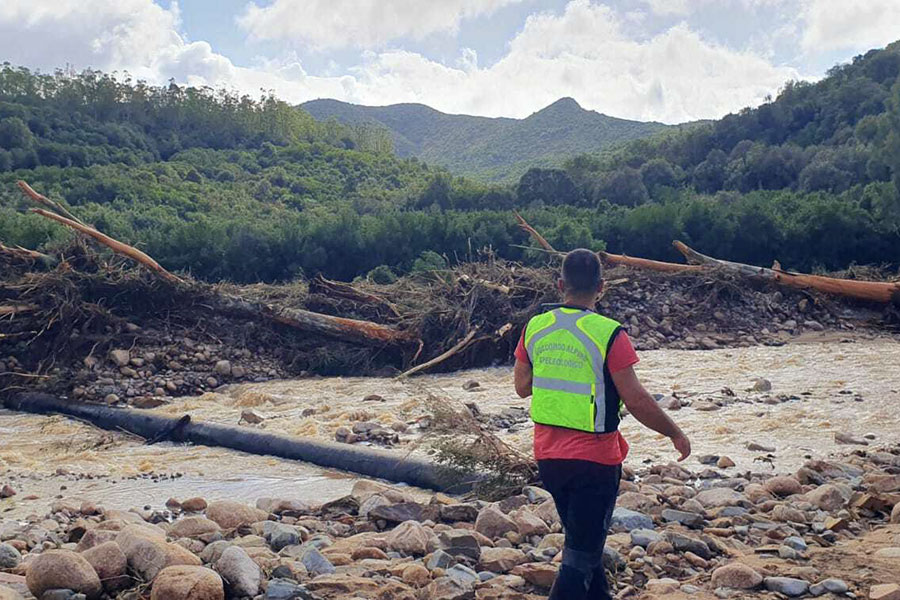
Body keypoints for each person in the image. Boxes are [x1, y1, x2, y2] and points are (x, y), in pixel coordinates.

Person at [514, 248, 691, 600]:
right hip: (594, 462)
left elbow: (522, 387)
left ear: (560, 284)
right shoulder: (609, 334)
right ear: (602, 287)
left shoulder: (535, 327)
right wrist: (675, 432)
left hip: (548, 458)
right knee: (579, 558)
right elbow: (637, 399)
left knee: (586, 547)